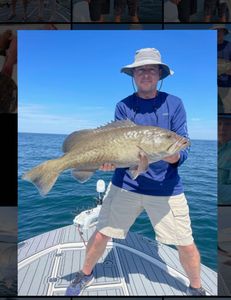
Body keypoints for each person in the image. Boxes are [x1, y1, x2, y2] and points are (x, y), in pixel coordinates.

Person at [65, 48, 207, 296]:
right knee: (101, 235)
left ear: (160, 74)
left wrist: (171, 153)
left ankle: (196, 288)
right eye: (140, 69)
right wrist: (109, 162)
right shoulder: (123, 106)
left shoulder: (174, 104)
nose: (146, 74)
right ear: (133, 75)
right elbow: (118, 149)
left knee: (185, 243)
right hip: (126, 185)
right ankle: (84, 273)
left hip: (166, 188)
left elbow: (183, 148)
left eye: (152, 69)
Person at [215, 25, 231, 114]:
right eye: (216, 31)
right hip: (208, 84)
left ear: (224, 33)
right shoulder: (206, 46)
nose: (217, 33)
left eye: (220, 31)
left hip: (226, 85)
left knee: (228, 109)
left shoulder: (229, 46)